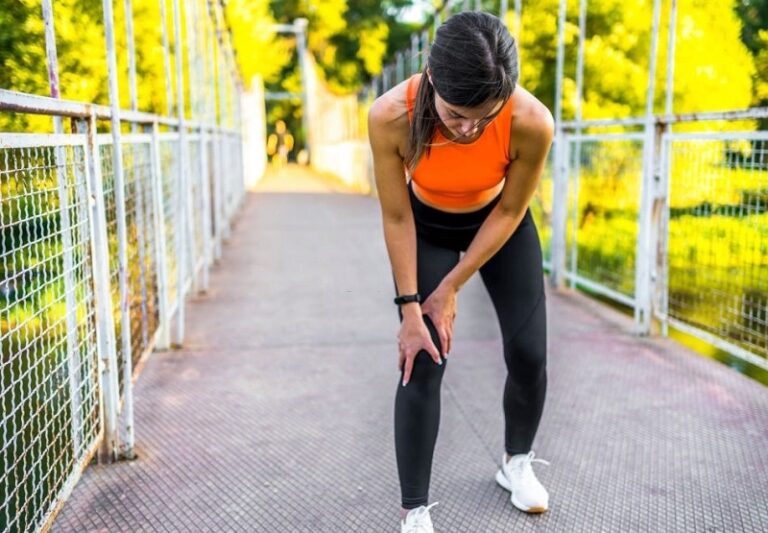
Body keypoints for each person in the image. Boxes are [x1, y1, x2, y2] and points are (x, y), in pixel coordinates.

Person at [366, 11, 554, 533]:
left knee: (529, 352)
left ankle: (516, 463)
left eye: (484, 117)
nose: (470, 129)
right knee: (422, 356)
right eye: (456, 115)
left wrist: (451, 287)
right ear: (430, 80)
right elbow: (397, 213)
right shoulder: (390, 116)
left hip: (498, 225)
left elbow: (513, 211)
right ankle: (416, 510)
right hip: (424, 223)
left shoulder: (532, 122)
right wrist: (410, 309)